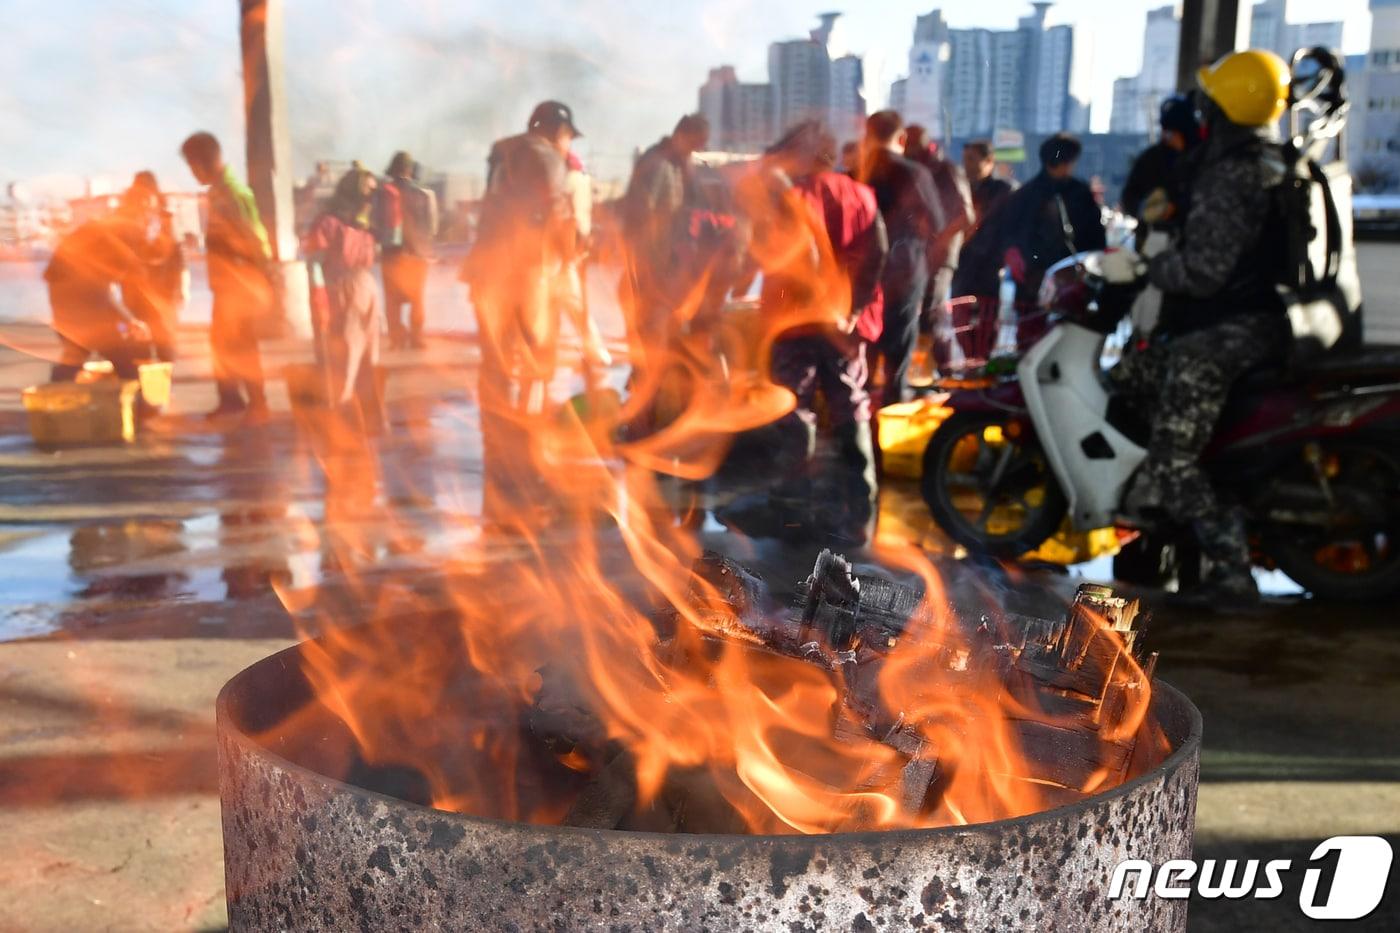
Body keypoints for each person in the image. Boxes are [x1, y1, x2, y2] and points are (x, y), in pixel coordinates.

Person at [1101, 50, 1296, 607]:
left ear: (1224, 107)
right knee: (1131, 375)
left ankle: (1232, 572)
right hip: (1246, 319)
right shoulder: (1262, 160)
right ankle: (1156, 511)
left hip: (1230, 328)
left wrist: (1145, 266)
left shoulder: (1232, 173)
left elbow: (1204, 272)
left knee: (1172, 459)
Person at [762, 122, 889, 542]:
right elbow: (879, 252)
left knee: (793, 402)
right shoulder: (862, 196)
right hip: (842, 324)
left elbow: (788, 259)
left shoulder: (793, 196)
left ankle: (792, 503)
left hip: (796, 319)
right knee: (849, 401)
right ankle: (859, 508)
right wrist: (852, 310)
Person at [460, 100, 579, 527]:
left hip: (487, 273)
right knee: (533, 364)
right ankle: (524, 457)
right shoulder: (546, 156)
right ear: (555, 130)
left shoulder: (503, 153)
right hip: (526, 274)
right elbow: (557, 215)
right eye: (568, 135)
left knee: (496, 365)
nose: (569, 144)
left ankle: (499, 444)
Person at [180, 131, 274, 424]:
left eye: (193, 166)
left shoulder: (234, 194)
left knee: (242, 346)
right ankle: (231, 400)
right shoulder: (218, 193)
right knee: (222, 344)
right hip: (226, 285)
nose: (193, 173)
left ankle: (258, 405)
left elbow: (256, 239)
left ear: (204, 162)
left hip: (240, 287)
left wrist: (262, 279)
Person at [860, 110, 947, 406]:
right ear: (900, 138)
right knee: (899, 342)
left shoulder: (857, 173)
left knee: (864, 340)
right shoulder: (915, 173)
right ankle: (891, 406)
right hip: (905, 269)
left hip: (861, 272)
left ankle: (858, 407)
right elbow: (935, 222)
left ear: (867, 136)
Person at [43, 191, 156, 398]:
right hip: (76, 297)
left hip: (63, 296)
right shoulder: (120, 235)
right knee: (121, 355)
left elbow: (103, 288)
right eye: (146, 218)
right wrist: (130, 321)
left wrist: (126, 319)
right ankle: (138, 408)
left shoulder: (107, 228)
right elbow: (101, 291)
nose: (148, 225)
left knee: (77, 350)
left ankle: (55, 399)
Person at [618, 113, 710, 365]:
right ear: (680, 137)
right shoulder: (657, 165)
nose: (694, 152)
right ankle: (648, 386)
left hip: (668, 266)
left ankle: (654, 383)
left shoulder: (679, 166)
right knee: (651, 329)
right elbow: (640, 216)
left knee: (663, 329)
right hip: (651, 266)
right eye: (693, 145)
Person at [1000, 133, 1106, 349]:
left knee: (1035, 338)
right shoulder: (1077, 193)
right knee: (1056, 339)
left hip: (1044, 280)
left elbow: (1008, 236)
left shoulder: (1025, 194)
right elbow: (1096, 238)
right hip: (1060, 279)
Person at [303, 166, 387, 431]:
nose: (372, 198)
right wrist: (319, 297)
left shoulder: (366, 224)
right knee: (343, 357)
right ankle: (343, 420)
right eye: (368, 191)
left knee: (367, 356)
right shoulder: (328, 223)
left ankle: (368, 419)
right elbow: (314, 263)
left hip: (365, 287)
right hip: (339, 289)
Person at [903, 124, 973, 367]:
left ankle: (932, 370)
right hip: (916, 255)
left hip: (939, 256)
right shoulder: (911, 170)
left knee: (931, 315)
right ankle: (919, 370)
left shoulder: (946, 170)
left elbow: (966, 215)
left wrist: (939, 241)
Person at [947, 140, 1017, 366]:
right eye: (965, 159)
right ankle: (969, 363)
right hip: (961, 267)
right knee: (961, 322)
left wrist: (999, 256)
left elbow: (1008, 230)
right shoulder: (956, 188)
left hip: (988, 270)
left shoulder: (1003, 192)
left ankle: (981, 364)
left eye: (972, 159)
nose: (966, 165)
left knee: (986, 325)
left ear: (989, 162)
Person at [120, 171, 187, 363]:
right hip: (136, 295)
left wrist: (183, 286)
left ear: (155, 194)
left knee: (166, 345)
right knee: (140, 347)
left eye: (148, 195)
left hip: (165, 293)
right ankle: (146, 391)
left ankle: (162, 389)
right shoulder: (128, 222)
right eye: (139, 195)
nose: (144, 201)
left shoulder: (167, 220)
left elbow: (178, 255)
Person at [377, 151, 438, 350]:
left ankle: (396, 339)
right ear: (410, 170)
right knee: (417, 298)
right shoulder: (424, 193)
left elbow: (376, 223)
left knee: (392, 300)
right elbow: (432, 227)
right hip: (418, 254)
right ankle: (417, 338)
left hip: (392, 254)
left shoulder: (383, 192)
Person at [559, 150, 612, 374]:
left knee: (569, 302)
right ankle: (594, 351)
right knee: (577, 304)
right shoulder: (580, 180)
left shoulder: (563, 180)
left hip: (561, 252)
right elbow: (581, 217)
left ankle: (594, 351)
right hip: (572, 251)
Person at [1120, 94, 1203, 238]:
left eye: (1173, 131)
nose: (1167, 136)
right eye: (1165, 130)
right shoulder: (1150, 158)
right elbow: (1128, 197)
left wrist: (1176, 208)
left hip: (1192, 237)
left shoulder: (1203, 158)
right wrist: (1145, 208)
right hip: (1151, 237)